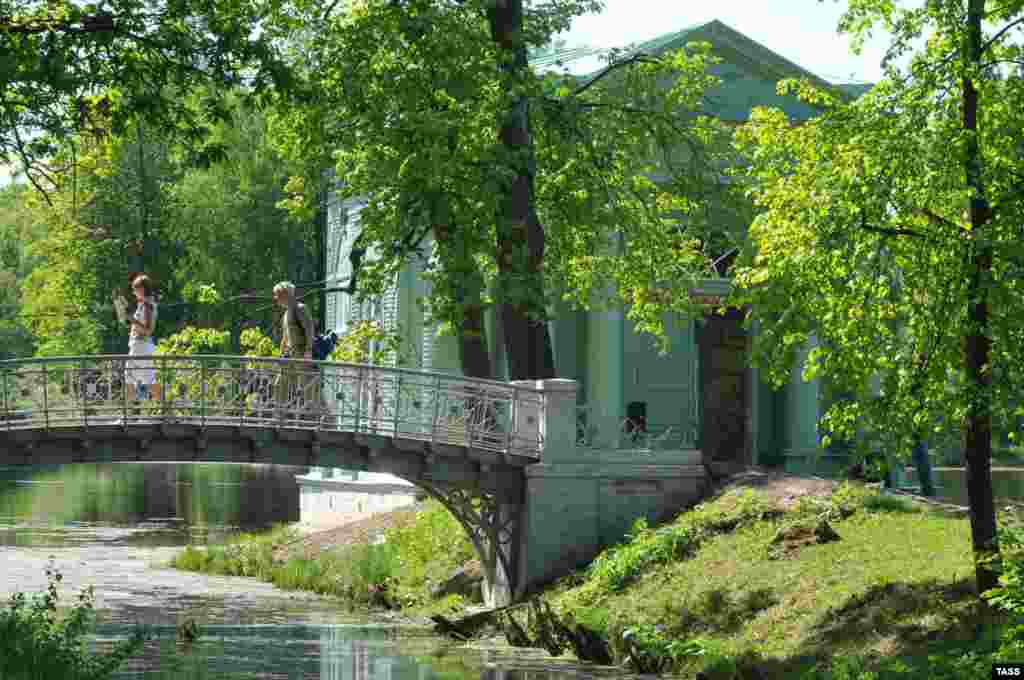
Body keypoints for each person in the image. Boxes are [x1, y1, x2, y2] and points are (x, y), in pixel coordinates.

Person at [272, 281, 316, 418]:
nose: (276, 298)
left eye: (278, 295)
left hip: (301, 353)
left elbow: (309, 330)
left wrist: (308, 350)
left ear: (285, 294)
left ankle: (313, 416)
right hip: (289, 355)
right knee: (279, 383)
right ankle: (279, 415)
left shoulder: (300, 308)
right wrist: (281, 354)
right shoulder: (286, 314)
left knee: (306, 385)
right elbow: (285, 337)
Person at [126, 274, 160, 404]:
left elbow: (147, 330)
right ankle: (128, 415)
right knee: (133, 378)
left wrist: (132, 320)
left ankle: (166, 413)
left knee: (144, 380)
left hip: (141, 347)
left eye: (135, 289)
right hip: (139, 346)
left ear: (142, 289)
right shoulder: (145, 304)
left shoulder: (147, 305)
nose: (134, 292)